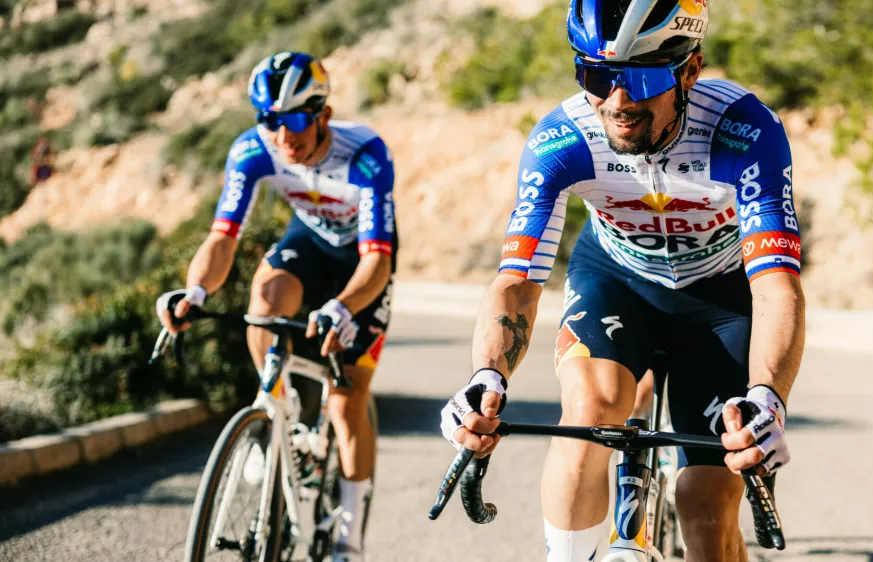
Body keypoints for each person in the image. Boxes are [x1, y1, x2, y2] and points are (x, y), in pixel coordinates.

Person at [439, 1, 804, 561]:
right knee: (590, 412)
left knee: (706, 511)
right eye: (596, 76)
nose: (617, 101)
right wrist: (487, 375)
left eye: (641, 78)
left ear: (690, 70)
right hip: (618, 280)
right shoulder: (563, 139)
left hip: (721, 297)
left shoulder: (745, 132)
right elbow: (516, 282)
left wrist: (767, 398)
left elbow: (776, 286)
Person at [155, 51, 396, 562]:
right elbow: (223, 237)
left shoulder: (366, 153)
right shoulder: (253, 149)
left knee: (346, 400)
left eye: (295, 121)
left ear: (323, 115)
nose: (283, 135)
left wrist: (343, 308)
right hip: (308, 244)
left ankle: (350, 537)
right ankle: (273, 414)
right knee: (264, 303)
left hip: (361, 265)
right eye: (269, 120)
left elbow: (378, 258)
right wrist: (194, 292)